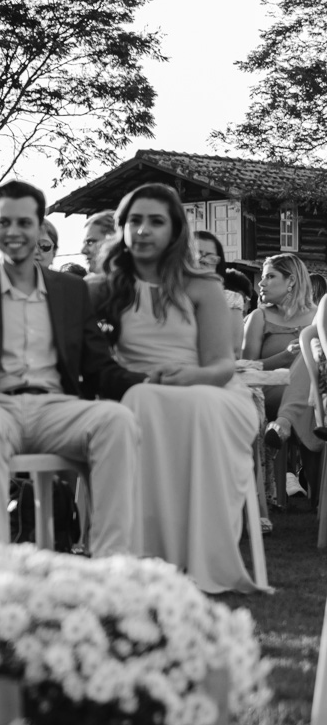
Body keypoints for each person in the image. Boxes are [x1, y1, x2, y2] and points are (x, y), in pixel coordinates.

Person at [0, 180, 143, 557]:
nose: (14, 232)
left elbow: (99, 366)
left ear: (39, 228)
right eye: (5, 223)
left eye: (24, 223)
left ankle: (111, 563)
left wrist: (147, 382)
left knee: (116, 420)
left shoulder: (70, 289)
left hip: (56, 409)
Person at [91, 183, 263, 592]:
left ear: (175, 231)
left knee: (192, 403)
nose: (144, 230)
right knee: (140, 399)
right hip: (142, 388)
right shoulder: (103, 288)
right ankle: (145, 557)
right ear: (122, 227)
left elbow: (222, 364)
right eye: (135, 220)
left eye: (156, 221)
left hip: (211, 388)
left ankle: (200, 556)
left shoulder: (201, 286)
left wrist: (191, 378)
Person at [241, 252, 317, 423]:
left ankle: (285, 427)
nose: (261, 283)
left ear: (291, 280)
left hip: (315, 391)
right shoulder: (259, 317)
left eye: (270, 276)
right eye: (262, 277)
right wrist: (284, 357)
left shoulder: (319, 316)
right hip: (273, 390)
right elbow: (245, 371)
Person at [194, 230, 244, 355]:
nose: (203, 262)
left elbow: (234, 349)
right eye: (197, 255)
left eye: (211, 258)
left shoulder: (230, 300)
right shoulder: (164, 295)